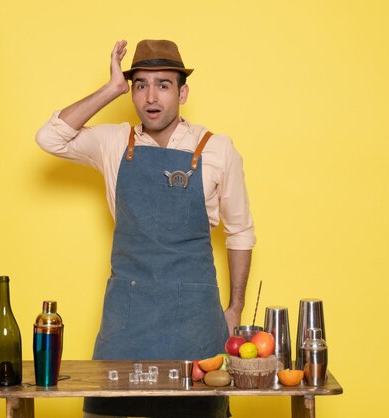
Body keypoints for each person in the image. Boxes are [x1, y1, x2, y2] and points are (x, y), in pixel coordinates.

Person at [35, 39, 256, 418]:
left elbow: (240, 232)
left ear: (182, 92)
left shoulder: (217, 149)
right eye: (140, 85)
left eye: (163, 84)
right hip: (128, 317)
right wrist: (110, 89)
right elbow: (49, 137)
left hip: (194, 319)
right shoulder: (114, 142)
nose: (151, 97)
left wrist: (235, 308)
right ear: (131, 92)